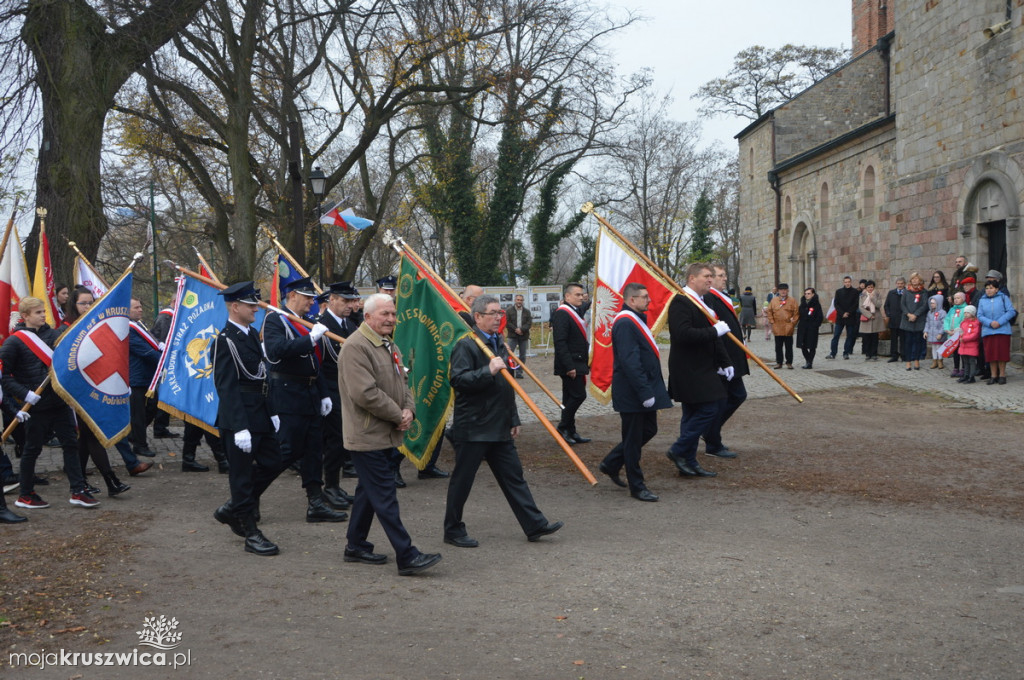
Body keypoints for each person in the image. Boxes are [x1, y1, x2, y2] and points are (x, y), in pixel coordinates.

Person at [444, 295, 563, 542]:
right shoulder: (467, 344)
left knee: (514, 476)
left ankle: (534, 524)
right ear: (477, 317)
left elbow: (506, 387)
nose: (499, 317)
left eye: (500, 313)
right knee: (463, 481)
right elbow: (458, 380)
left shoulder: (498, 342)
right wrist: (487, 370)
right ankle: (453, 529)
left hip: (498, 425)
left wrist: (513, 417)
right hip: (474, 427)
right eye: (493, 313)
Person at [338, 293, 442, 575]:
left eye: (393, 314)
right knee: (384, 495)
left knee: (368, 492)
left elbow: (403, 379)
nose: (391, 319)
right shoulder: (355, 347)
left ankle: (355, 545)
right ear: (368, 316)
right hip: (367, 436)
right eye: (385, 314)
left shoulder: (388, 343)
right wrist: (399, 414)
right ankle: (407, 555)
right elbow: (364, 394)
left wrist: (409, 409)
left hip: (386, 432)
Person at [261, 276, 347, 523]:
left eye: (312, 298)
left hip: (309, 393)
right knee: (286, 452)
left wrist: (323, 393)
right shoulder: (275, 319)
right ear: (292, 296)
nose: (311, 302)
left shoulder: (308, 321)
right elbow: (277, 351)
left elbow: (315, 362)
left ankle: (316, 502)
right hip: (288, 393)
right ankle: (247, 497)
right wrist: (309, 339)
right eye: (307, 297)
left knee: (313, 451)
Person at [1, 297, 96, 509]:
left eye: (43, 311)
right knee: (32, 449)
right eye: (37, 312)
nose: (43, 315)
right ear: (25, 316)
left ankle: (78, 490)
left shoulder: (55, 335)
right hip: (36, 406)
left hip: (59, 401)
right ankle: (26, 494)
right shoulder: (14, 342)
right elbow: (4, 376)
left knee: (71, 444)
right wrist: (25, 394)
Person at [211, 282, 282, 556]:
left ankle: (233, 508)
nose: (256, 308)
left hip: (260, 413)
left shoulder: (251, 334)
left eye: (256, 303)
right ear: (234, 306)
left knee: (274, 462)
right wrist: (239, 426)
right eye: (251, 304)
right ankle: (251, 532)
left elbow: (262, 377)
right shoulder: (224, 341)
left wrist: (272, 411)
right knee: (240, 476)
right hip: (238, 418)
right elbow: (226, 387)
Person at [597, 283, 673, 501]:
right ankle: (637, 486)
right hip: (633, 393)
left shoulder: (637, 319)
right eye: (644, 297)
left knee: (648, 430)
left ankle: (611, 462)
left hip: (641, 390)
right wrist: (644, 392)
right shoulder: (624, 323)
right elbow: (631, 362)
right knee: (632, 439)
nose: (649, 300)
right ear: (632, 300)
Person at [665, 263, 732, 479]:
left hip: (703, 365)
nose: (710, 280)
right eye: (706, 276)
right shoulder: (681, 301)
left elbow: (715, 338)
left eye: (712, 276)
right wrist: (714, 330)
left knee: (692, 413)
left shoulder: (702, 302)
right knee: (711, 407)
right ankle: (679, 449)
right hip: (688, 367)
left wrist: (725, 361)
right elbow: (682, 333)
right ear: (692, 278)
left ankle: (688, 461)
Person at [62, 288, 131, 496]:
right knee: (91, 436)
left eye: (91, 302)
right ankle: (111, 481)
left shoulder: (96, 326)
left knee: (85, 438)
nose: (89, 307)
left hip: (95, 389)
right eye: (84, 303)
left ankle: (80, 480)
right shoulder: (65, 329)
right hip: (77, 394)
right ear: (73, 305)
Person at [316, 281, 361, 510]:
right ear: (331, 299)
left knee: (342, 442)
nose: (349, 305)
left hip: (347, 389)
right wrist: (324, 395)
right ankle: (329, 486)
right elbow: (320, 364)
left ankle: (335, 484)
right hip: (331, 390)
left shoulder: (349, 325)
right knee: (334, 441)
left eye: (352, 301)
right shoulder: (321, 326)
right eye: (344, 300)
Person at [703, 265, 749, 458]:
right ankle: (712, 440)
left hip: (733, 357)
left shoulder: (723, 297)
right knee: (728, 398)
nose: (724, 279)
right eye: (720, 276)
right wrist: (722, 360)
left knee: (735, 396)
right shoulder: (709, 298)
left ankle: (711, 433)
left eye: (724, 275)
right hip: (724, 359)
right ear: (711, 279)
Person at [551, 283, 591, 444]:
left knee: (569, 398)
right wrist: (569, 366)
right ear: (567, 297)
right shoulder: (562, 313)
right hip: (570, 363)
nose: (581, 297)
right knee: (579, 395)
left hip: (578, 361)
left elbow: (588, 306)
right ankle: (563, 426)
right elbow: (560, 342)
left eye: (582, 295)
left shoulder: (576, 310)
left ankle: (570, 431)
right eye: (577, 295)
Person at [128, 297, 162, 458]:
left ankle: (133, 434)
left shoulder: (139, 325)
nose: (140, 309)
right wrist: (164, 359)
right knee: (138, 413)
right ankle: (140, 444)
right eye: (136, 307)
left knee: (152, 407)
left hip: (148, 376)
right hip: (136, 377)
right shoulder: (127, 329)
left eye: (140, 306)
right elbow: (144, 351)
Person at [976, 280, 1015, 385]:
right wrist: (990, 323)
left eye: (991, 288)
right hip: (988, 330)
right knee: (991, 354)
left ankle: (1002, 375)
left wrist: (999, 322)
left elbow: (1011, 311)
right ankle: (993, 375)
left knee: (1002, 354)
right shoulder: (982, 300)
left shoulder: (1003, 298)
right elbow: (979, 315)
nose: (989, 290)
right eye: (987, 288)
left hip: (1002, 330)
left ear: (997, 289)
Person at [150, 303, 179, 440]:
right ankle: (158, 427)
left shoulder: (169, 316)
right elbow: (164, 340)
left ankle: (161, 427)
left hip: (169, 361)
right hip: (165, 362)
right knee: (163, 395)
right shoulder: (166, 316)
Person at [766, 283, 798, 369]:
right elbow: (769, 312)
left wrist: (792, 324)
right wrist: (772, 322)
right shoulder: (774, 301)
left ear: (788, 290)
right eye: (781, 290)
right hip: (777, 326)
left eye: (785, 289)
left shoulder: (792, 300)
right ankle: (779, 362)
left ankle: (789, 362)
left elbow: (796, 313)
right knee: (778, 347)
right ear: (778, 291)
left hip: (788, 327)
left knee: (789, 347)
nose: (783, 291)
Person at [827, 276, 860, 359]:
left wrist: (848, 312)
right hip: (840, 317)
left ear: (851, 282)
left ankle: (846, 353)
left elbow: (856, 304)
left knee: (849, 336)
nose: (847, 283)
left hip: (851, 317)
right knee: (836, 335)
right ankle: (833, 353)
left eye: (848, 281)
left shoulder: (855, 292)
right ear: (843, 282)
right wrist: (842, 313)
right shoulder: (839, 292)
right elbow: (836, 304)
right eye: (845, 282)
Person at [900, 273, 929, 370]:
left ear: (920, 280)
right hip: (907, 319)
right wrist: (908, 314)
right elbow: (902, 304)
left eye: (916, 278)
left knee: (918, 341)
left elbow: (925, 305)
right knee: (907, 341)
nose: (915, 280)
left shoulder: (924, 292)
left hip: (919, 320)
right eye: (913, 279)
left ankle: (917, 360)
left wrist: (916, 314)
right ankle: (908, 361)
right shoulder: (906, 291)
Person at [504, 294, 532, 379]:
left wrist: (522, 330)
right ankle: (510, 371)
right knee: (510, 354)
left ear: (523, 301)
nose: (519, 301)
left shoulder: (527, 311)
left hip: (523, 336)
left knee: (522, 355)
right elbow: (507, 322)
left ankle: (519, 372)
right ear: (515, 300)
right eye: (518, 300)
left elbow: (529, 323)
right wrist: (516, 329)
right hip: (512, 335)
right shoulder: (509, 310)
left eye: (521, 300)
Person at [858, 280, 886, 360]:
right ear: (866, 288)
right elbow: (861, 307)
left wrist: (872, 298)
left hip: (876, 318)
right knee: (866, 338)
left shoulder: (877, 294)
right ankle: (867, 353)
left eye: (871, 287)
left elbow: (879, 305)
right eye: (868, 287)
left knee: (874, 337)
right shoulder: (862, 295)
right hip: (866, 318)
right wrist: (869, 315)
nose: (870, 289)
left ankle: (874, 354)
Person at [797, 288, 824, 368]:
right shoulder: (802, 304)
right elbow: (799, 314)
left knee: (812, 346)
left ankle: (809, 362)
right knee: (803, 346)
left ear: (813, 294)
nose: (806, 295)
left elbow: (820, 317)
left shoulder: (816, 304)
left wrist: (815, 325)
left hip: (812, 328)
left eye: (808, 293)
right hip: (802, 328)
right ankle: (808, 360)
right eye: (805, 293)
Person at [944, 291, 968, 378]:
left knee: (962, 352)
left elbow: (964, 321)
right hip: (952, 335)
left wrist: (957, 331)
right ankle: (956, 367)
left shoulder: (965, 309)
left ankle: (964, 368)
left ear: (963, 299)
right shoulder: (952, 309)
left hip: (960, 334)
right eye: (955, 298)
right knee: (955, 352)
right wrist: (947, 329)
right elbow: (947, 319)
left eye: (958, 298)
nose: (956, 300)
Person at [883, 277, 906, 363]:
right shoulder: (891, 293)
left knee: (903, 339)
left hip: (903, 320)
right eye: (898, 283)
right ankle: (894, 355)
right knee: (893, 340)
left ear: (904, 284)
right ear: (896, 284)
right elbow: (886, 305)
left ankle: (904, 355)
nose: (900, 285)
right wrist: (889, 314)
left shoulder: (907, 293)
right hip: (893, 320)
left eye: (901, 284)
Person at [956, 306, 981, 384]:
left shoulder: (975, 323)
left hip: (971, 345)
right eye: (965, 313)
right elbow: (961, 331)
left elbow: (975, 334)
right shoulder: (963, 322)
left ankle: (971, 376)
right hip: (963, 345)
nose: (966, 314)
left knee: (971, 361)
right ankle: (966, 375)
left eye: (968, 312)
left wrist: (965, 338)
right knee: (965, 361)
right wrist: (959, 336)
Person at [923, 293, 947, 369]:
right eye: (931, 303)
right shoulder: (930, 313)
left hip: (938, 334)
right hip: (931, 333)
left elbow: (944, 324)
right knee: (933, 347)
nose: (932, 305)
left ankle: (940, 360)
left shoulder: (942, 313)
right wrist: (926, 331)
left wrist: (940, 333)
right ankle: (934, 361)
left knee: (939, 347)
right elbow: (927, 322)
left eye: (933, 303)